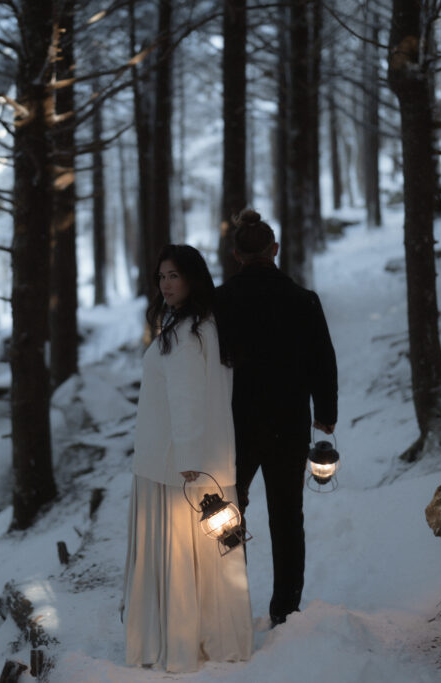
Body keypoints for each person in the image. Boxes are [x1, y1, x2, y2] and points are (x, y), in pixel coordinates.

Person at [122, 244, 253, 673]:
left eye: (174, 276)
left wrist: (189, 459)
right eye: (161, 277)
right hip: (189, 460)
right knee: (207, 557)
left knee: (183, 554)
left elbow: (187, 399)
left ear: (193, 278)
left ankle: (179, 643)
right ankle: (210, 637)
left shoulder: (190, 333)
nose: (165, 284)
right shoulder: (199, 326)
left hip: (178, 466)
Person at [214, 209, 338, 628]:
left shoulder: (220, 302)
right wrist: (326, 415)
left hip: (235, 424)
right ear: (276, 250)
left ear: (235, 255)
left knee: (229, 513)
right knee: (288, 516)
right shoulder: (303, 300)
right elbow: (323, 361)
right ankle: (285, 610)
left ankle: (231, 603)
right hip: (288, 422)